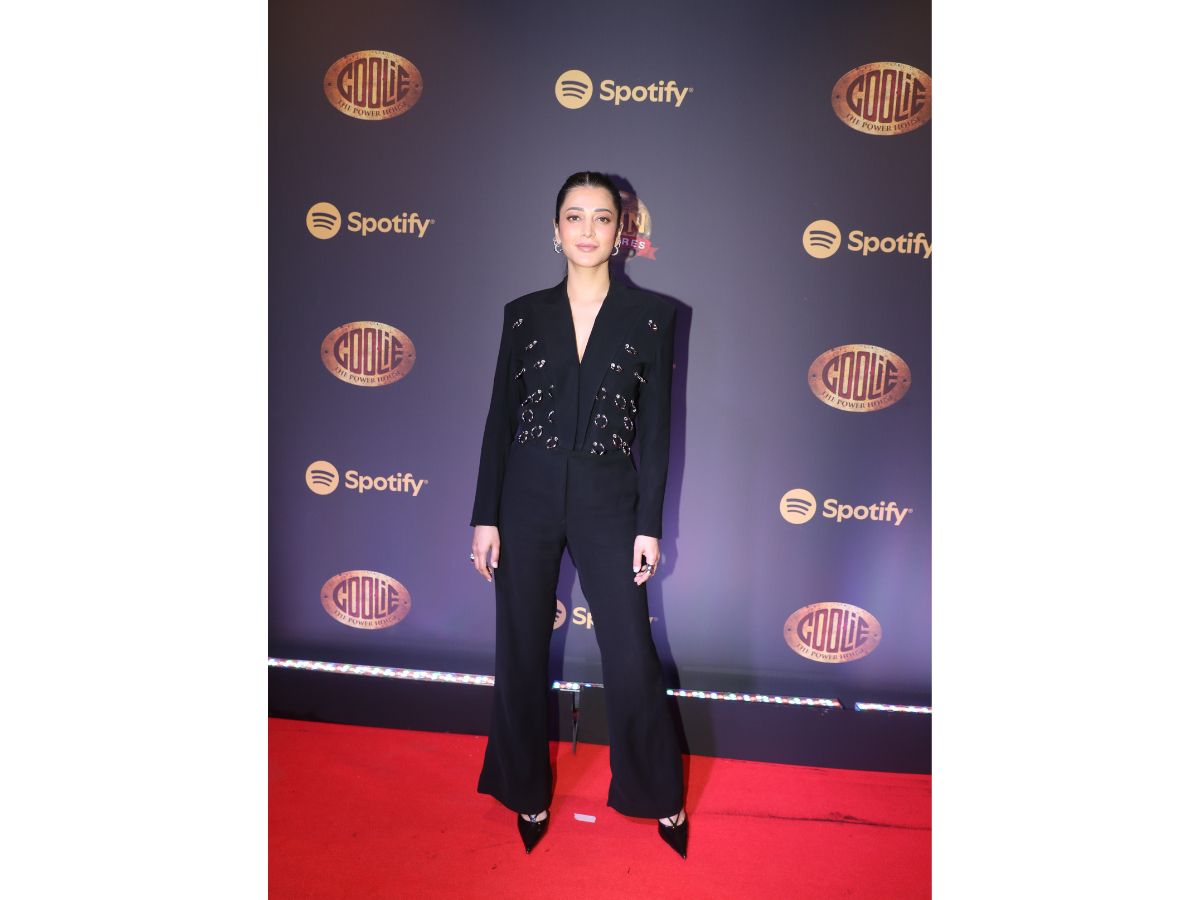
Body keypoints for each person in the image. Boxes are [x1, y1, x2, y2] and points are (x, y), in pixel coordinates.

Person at [469, 171, 688, 859]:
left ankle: (657, 791)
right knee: (519, 647)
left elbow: (657, 432)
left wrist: (648, 523)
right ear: (555, 229)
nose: (587, 229)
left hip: (608, 498)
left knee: (630, 651)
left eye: (602, 217)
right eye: (574, 216)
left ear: (622, 232)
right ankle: (525, 789)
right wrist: (485, 515)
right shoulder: (523, 314)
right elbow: (500, 418)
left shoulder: (654, 317)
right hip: (525, 495)